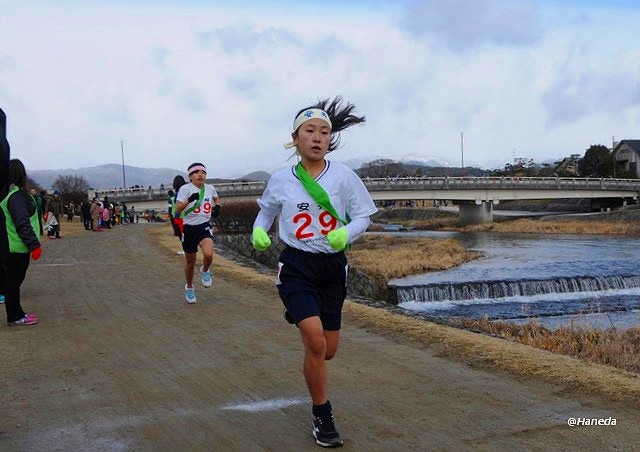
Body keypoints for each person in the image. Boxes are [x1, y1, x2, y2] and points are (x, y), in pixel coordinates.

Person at [251, 97, 377, 448]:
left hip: (332, 266)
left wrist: (346, 233)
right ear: (295, 138)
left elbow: (364, 215)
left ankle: (308, 324)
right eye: (310, 131)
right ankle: (323, 415)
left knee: (328, 350)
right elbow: (266, 211)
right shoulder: (280, 179)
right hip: (296, 265)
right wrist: (259, 231)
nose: (318, 137)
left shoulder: (344, 176)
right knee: (316, 341)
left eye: (324, 132)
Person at [0, 159, 41, 326]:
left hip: (13, 247)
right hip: (16, 248)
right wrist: (34, 245)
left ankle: (15, 313)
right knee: (13, 282)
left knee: (12, 281)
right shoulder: (16, 196)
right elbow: (22, 223)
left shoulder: (10, 194)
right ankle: (15, 315)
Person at [174, 163, 221, 304]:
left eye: (203, 172)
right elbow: (177, 208)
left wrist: (217, 206)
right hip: (189, 228)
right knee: (190, 262)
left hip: (204, 225)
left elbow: (216, 198)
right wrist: (190, 200)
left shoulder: (210, 188)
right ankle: (189, 286)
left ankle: (205, 269)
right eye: (196, 172)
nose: (200, 174)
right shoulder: (185, 189)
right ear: (190, 176)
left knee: (208, 254)